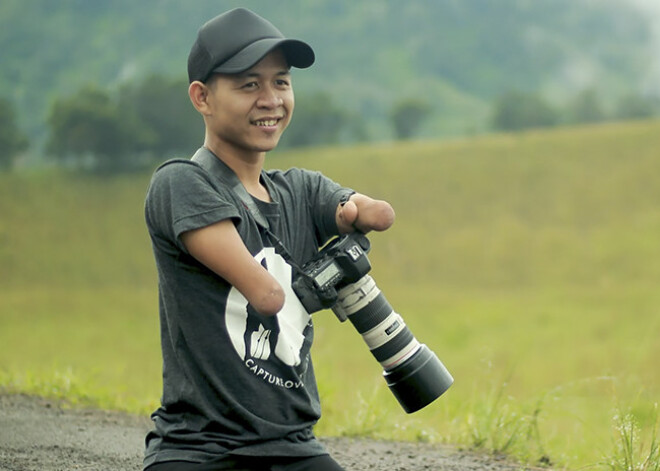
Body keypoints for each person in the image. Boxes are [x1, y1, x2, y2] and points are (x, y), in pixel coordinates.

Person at [143, 8, 395, 471]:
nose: (271, 99)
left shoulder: (299, 188)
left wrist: (358, 218)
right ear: (202, 97)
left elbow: (381, 213)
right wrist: (323, 282)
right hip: (198, 448)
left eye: (281, 82)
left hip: (293, 445)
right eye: (249, 85)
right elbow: (266, 293)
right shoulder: (180, 183)